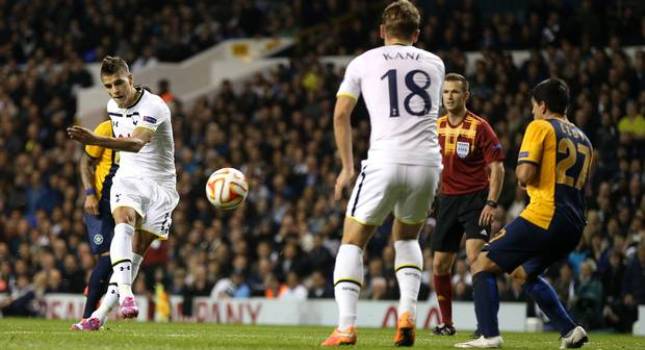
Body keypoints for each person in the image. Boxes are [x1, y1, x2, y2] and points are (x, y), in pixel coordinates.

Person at [321, 0, 445, 346]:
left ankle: (346, 326)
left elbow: (341, 114)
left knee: (352, 240)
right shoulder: (436, 63)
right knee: (406, 238)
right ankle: (407, 314)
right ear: (416, 34)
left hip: (384, 160)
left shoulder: (364, 61)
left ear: (381, 32)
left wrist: (347, 168)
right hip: (426, 163)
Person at [455, 79, 592, 349]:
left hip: (545, 214)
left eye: (533, 107)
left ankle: (489, 334)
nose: (531, 112)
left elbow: (525, 173)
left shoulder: (540, 126)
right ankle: (570, 331)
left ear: (542, 105)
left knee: (481, 262)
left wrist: (522, 177)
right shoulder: (584, 139)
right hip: (574, 223)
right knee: (522, 273)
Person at [67, 56, 179, 330]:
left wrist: (94, 139)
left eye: (119, 83)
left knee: (138, 251)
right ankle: (127, 295)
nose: (115, 90)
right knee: (123, 223)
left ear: (130, 79)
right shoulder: (112, 106)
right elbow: (100, 156)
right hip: (127, 178)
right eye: (108, 86)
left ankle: (99, 315)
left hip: (160, 185)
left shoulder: (154, 105)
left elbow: (138, 143)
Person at [431, 73, 505, 336]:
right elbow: (430, 164)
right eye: (446, 92)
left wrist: (491, 202)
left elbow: (497, 168)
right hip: (447, 200)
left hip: (475, 200)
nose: (449, 96)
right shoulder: (435, 126)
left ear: (466, 96)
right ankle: (446, 323)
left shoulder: (479, 126)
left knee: (477, 261)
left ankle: (484, 326)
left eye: (454, 92)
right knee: (440, 264)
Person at [70, 119, 119, 330]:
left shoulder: (148, 132)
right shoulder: (107, 128)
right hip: (102, 203)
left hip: (129, 201)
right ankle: (88, 316)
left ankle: (95, 294)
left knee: (118, 259)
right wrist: (89, 193)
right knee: (110, 256)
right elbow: (85, 161)